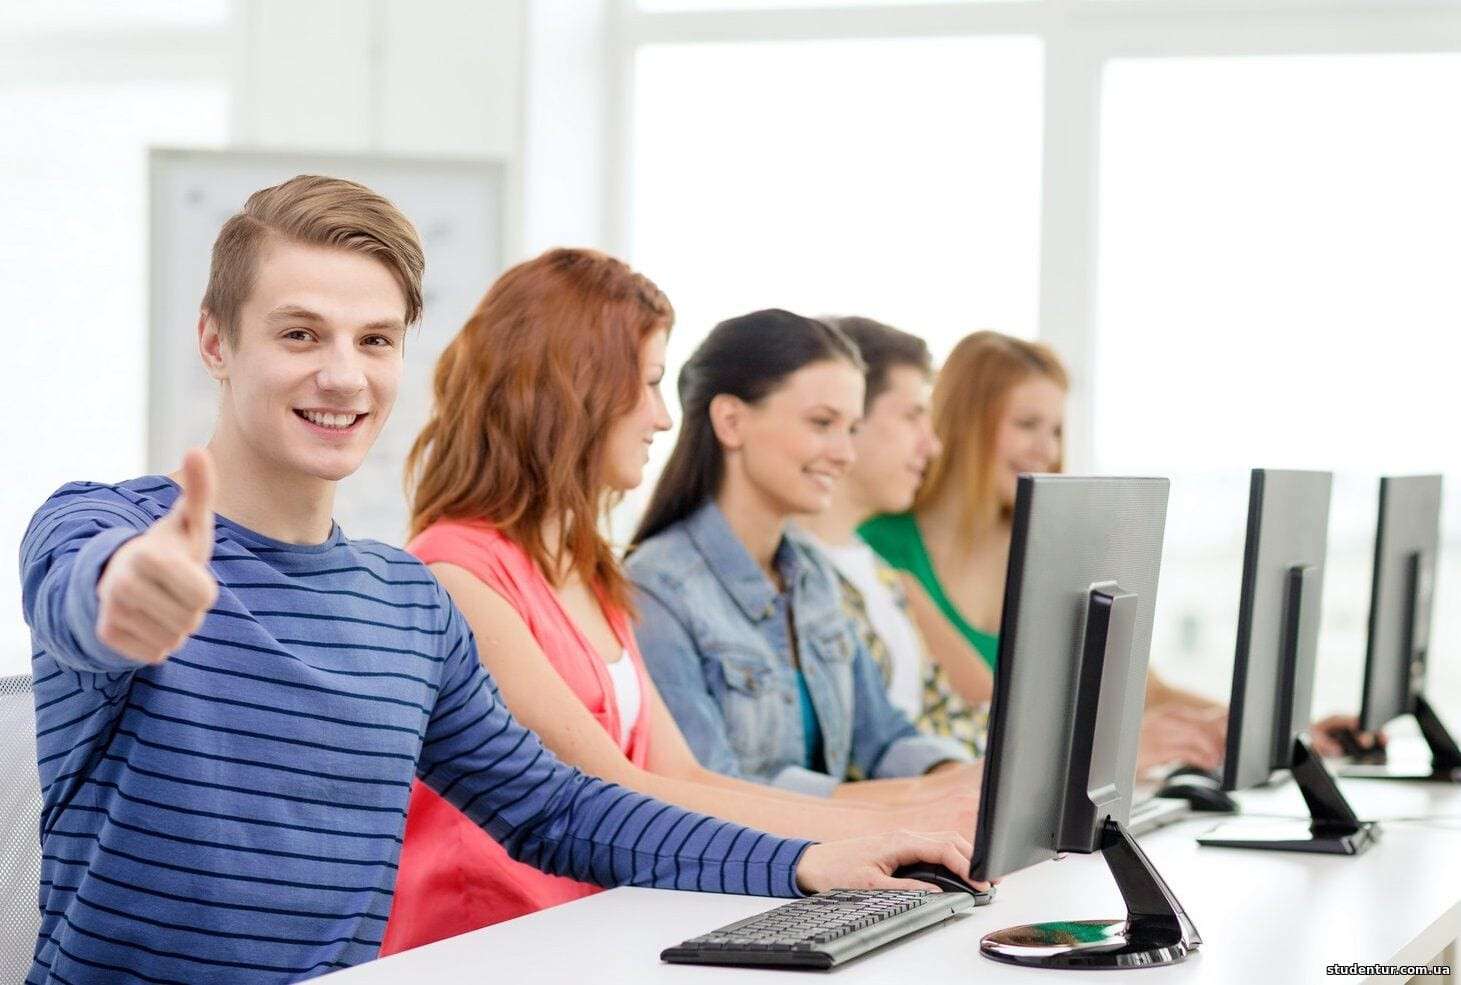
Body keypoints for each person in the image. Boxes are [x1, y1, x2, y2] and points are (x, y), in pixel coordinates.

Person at [17, 178, 977, 985]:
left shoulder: (405, 602)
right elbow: (84, 602)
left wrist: (810, 859)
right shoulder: (105, 526)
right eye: (301, 334)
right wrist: (130, 598)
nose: (345, 376)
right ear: (217, 343)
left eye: (377, 340)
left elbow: (554, 808)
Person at [381, 250, 980, 954]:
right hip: (494, 942)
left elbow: (680, 775)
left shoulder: (586, 568)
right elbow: (608, 792)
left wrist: (908, 820)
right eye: (649, 384)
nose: (663, 418)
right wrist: (869, 828)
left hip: (606, 926)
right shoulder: (455, 570)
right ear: (571, 391)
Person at [859, 329, 1377, 771]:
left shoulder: (1052, 550)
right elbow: (992, 711)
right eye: (1026, 425)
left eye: (1057, 430)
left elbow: (1143, 692)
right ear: (965, 424)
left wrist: (1289, 732)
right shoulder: (877, 548)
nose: (1048, 450)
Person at [626, 309, 982, 803]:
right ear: (731, 421)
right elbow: (715, 791)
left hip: (830, 865)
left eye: (851, 428)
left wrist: (964, 778)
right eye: (822, 423)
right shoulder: (657, 587)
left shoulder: (813, 574)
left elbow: (883, 737)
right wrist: (906, 800)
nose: (844, 453)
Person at [795, 317, 990, 757]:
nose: (932, 446)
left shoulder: (881, 573)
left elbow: (962, 715)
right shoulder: (789, 571)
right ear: (850, 415)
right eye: (912, 416)